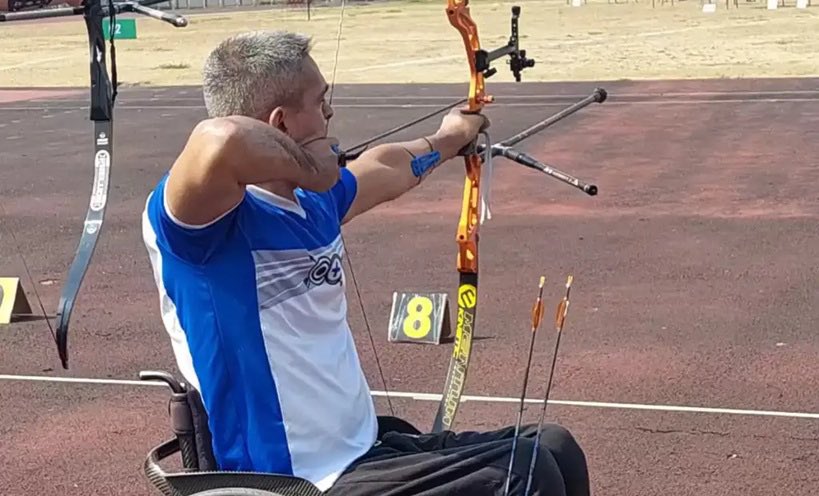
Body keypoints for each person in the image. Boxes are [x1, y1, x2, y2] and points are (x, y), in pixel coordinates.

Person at [142, 30, 590, 496]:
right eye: (320, 101)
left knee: (554, 446)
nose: (330, 113)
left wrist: (450, 136)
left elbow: (386, 167)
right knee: (524, 475)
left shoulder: (313, 203)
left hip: (364, 453)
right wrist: (312, 167)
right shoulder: (202, 230)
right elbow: (219, 139)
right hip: (296, 479)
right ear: (280, 122)